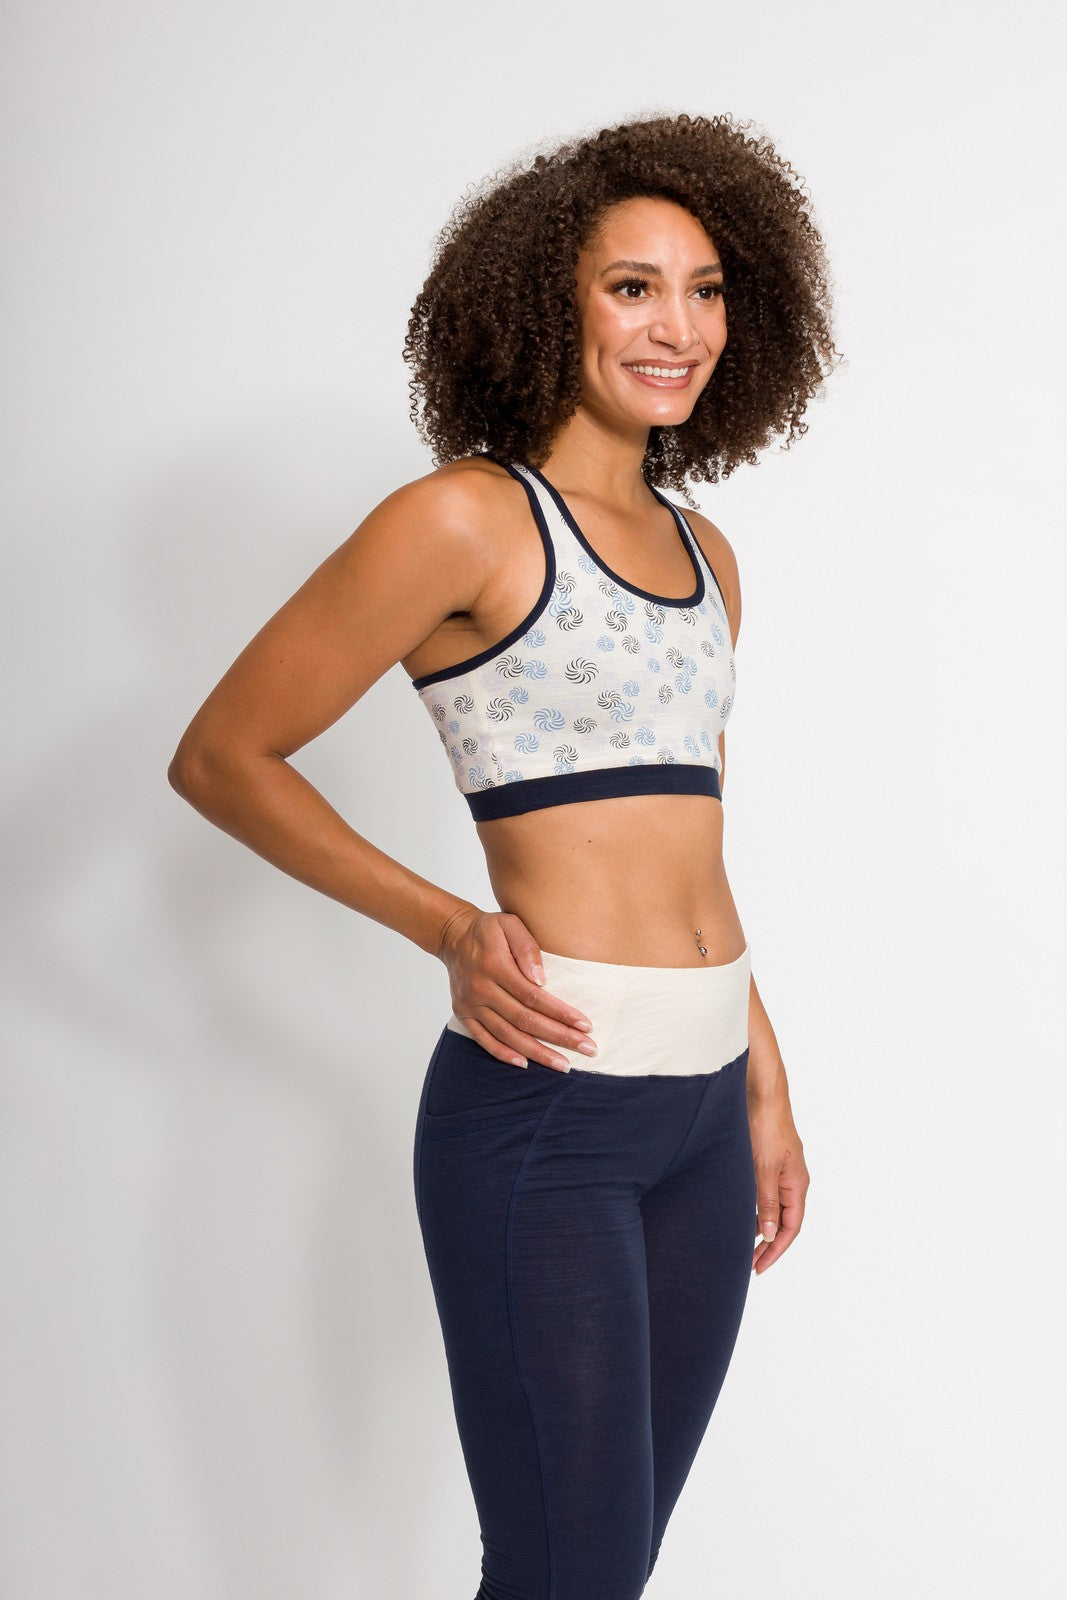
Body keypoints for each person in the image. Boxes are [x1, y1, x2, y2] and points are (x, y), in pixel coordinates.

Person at [168, 112, 839, 1600]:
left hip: (702, 1110)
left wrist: (766, 1080)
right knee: (568, 1572)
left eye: (707, 290)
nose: (678, 328)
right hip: (551, 1108)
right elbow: (222, 755)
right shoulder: (462, 522)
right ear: (550, 301)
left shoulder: (708, 556)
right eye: (632, 288)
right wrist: (449, 928)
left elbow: (699, 849)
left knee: (599, 1570)